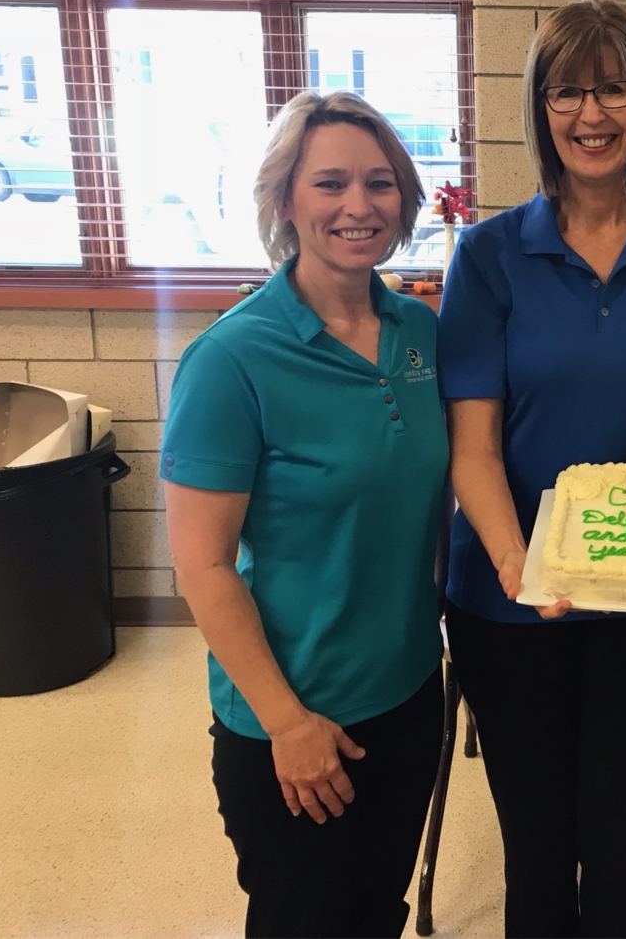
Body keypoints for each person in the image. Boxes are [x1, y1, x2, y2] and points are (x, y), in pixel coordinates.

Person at [436, 0, 626, 938]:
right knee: (538, 841)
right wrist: (525, 567)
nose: (591, 113)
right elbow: (473, 446)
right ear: (541, 107)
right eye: (568, 90)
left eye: (614, 86)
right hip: (506, 598)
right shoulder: (487, 256)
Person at [162, 91, 448, 939]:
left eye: (379, 183)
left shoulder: (419, 333)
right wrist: (288, 724)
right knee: (305, 920)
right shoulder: (232, 358)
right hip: (295, 714)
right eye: (330, 184)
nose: (358, 206)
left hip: (405, 695)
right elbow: (202, 566)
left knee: (373, 913)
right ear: (286, 199)